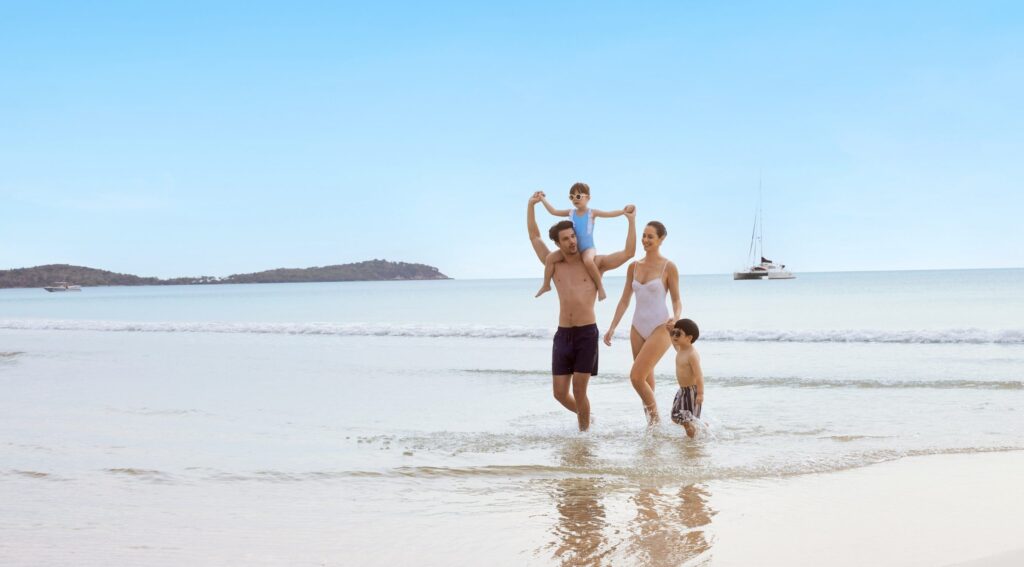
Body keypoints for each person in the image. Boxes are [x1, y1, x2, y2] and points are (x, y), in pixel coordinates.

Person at [527, 191, 636, 431]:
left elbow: (628, 253)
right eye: (565, 239)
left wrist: (630, 221)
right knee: (559, 393)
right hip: (563, 334)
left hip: (586, 333)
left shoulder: (595, 263)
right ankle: (588, 417)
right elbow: (534, 236)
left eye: (573, 236)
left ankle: (584, 437)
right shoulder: (553, 263)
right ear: (558, 243)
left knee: (579, 390)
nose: (572, 242)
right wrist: (531, 206)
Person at [603, 221, 682, 425]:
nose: (645, 240)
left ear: (661, 239)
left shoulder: (669, 267)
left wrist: (676, 318)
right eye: (644, 236)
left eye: (650, 237)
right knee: (645, 380)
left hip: (661, 327)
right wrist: (612, 327)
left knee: (636, 377)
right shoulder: (634, 266)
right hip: (637, 327)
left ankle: (657, 423)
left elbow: (676, 300)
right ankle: (652, 428)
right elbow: (624, 300)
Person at [535, 182, 630, 301]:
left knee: (588, 261)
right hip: (574, 248)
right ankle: (546, 285)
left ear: (588, 198)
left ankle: (600, 288)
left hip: (588, 248)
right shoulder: (571, 213)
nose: (575, 199)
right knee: (549, 258)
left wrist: (623, 212)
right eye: (571, 197)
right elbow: (553, 211)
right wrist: (542, 199)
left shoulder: (592, 213)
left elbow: (609, 214)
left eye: (578, 196)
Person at [669, 318, 703, 438]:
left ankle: (692, 440)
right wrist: (669, 330)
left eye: (678, 334)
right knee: (675, 416)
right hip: (682, 391)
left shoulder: (692, 354)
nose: (674, 336)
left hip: (691, 391)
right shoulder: (681, 349)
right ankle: (699, 428)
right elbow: (674, 343)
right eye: (673, 332)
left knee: (687, 419)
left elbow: (699, 375)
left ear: (689, 338)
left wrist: (700, 394)